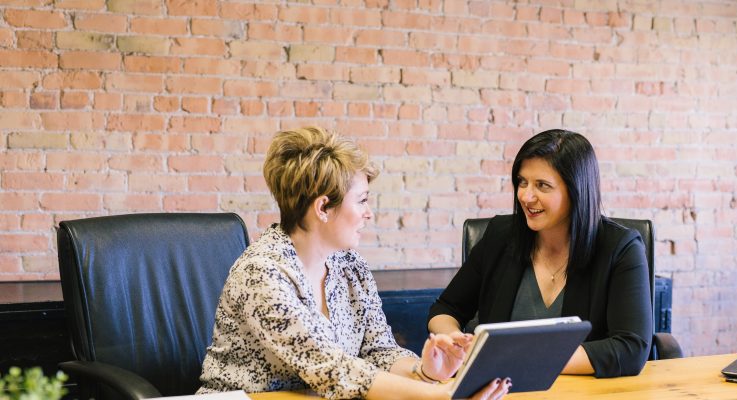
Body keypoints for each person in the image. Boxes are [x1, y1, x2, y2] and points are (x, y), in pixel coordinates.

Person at [198, 127, 509, 399]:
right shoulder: (262, 273)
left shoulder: (350, 267)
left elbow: (378, 352)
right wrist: (437, 394)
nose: (369, 213)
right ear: (322, 207)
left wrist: (425, 370)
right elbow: (333, 370)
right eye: (361, 200)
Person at [428, 129, 653, 378]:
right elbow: (445, 309)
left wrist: (520, 359)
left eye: (542, 185)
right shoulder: (501, 235)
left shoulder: (621, 248)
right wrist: (452, 340)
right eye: (522, 182)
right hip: (500, 391)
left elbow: (631, 348)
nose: (526, 196)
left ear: (576, 190)